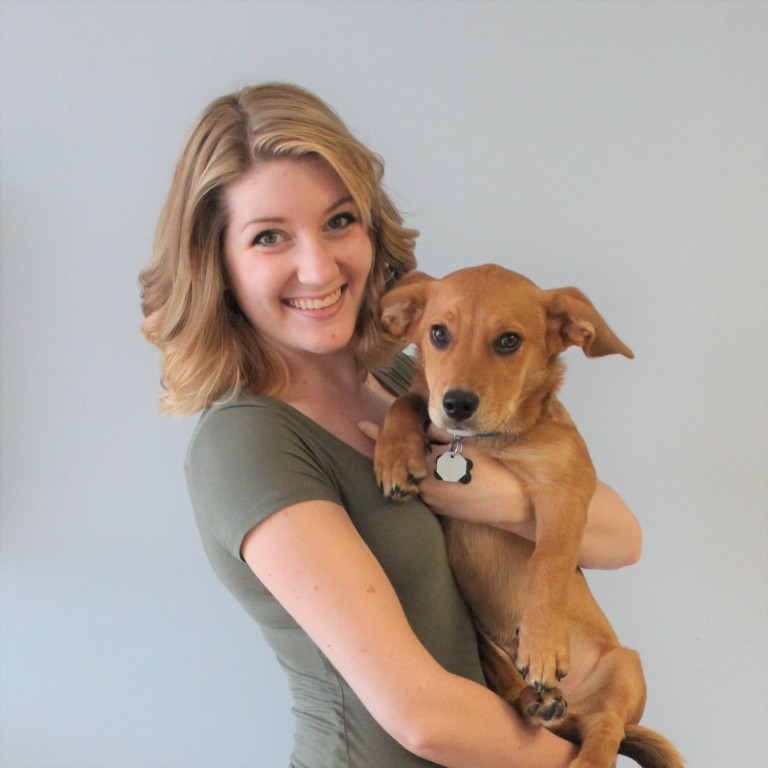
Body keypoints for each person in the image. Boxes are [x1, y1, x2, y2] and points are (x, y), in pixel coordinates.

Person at [140, 82, 642, 768]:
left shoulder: (419, 382)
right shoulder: (247, 442)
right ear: (218, 264)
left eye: (338, 221)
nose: (318, 266)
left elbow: (621, 538)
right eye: (269, 236)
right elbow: (423, 717)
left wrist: (495, 496)